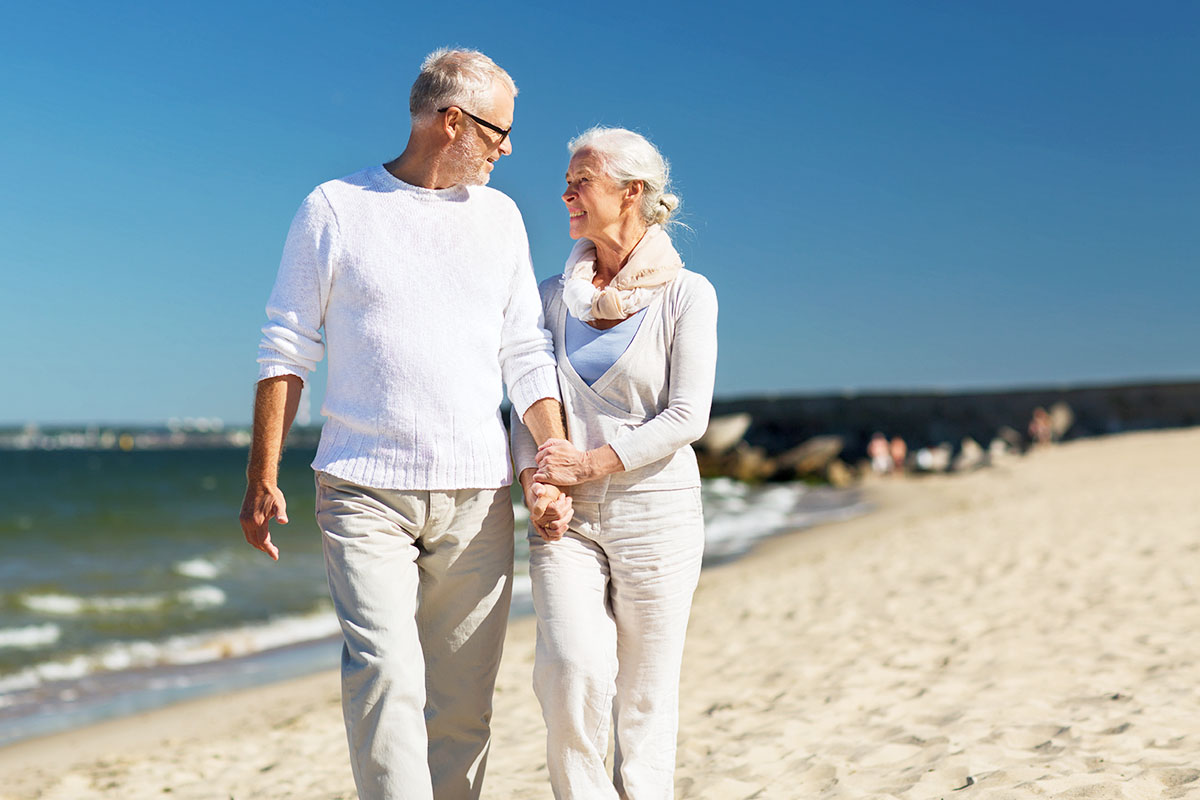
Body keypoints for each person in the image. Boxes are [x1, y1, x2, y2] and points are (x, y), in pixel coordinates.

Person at [239, 48, 572, 800]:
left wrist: (551, 455)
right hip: (362, 489)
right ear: (451, 121)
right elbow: (287, 343)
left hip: (477, 494)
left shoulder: (501, 218)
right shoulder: (335, 207)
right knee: (385, 678)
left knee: (462, 708)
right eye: (497, 133)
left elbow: (525, 351)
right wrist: (263, 475)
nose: (508, 149)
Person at [511, 127, 718, 799]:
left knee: (645, 697)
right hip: (566, 520)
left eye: (583, 180)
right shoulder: (548, 296)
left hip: (657, 515)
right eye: (568, 181)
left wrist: (590, 463)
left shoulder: (688, 296)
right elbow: (523, 399)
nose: (566, 192)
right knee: (570, 671)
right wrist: (536, 483)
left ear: (634, 193)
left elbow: (688, 416)